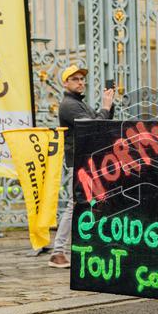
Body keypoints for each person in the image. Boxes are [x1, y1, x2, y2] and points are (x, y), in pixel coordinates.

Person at [47, 64, 115, 268]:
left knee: (89, 203)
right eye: (75, 79)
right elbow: (92, 128)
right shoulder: (69, 105)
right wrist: (105, 107)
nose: (80, 82)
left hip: (87, 160)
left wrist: (109, 104)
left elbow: (102, 123)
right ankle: (58, 252)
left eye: (82, 79)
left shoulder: (79, 103)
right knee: (75, 204)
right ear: (65, 83)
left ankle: (84, 246)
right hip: (79, 161)